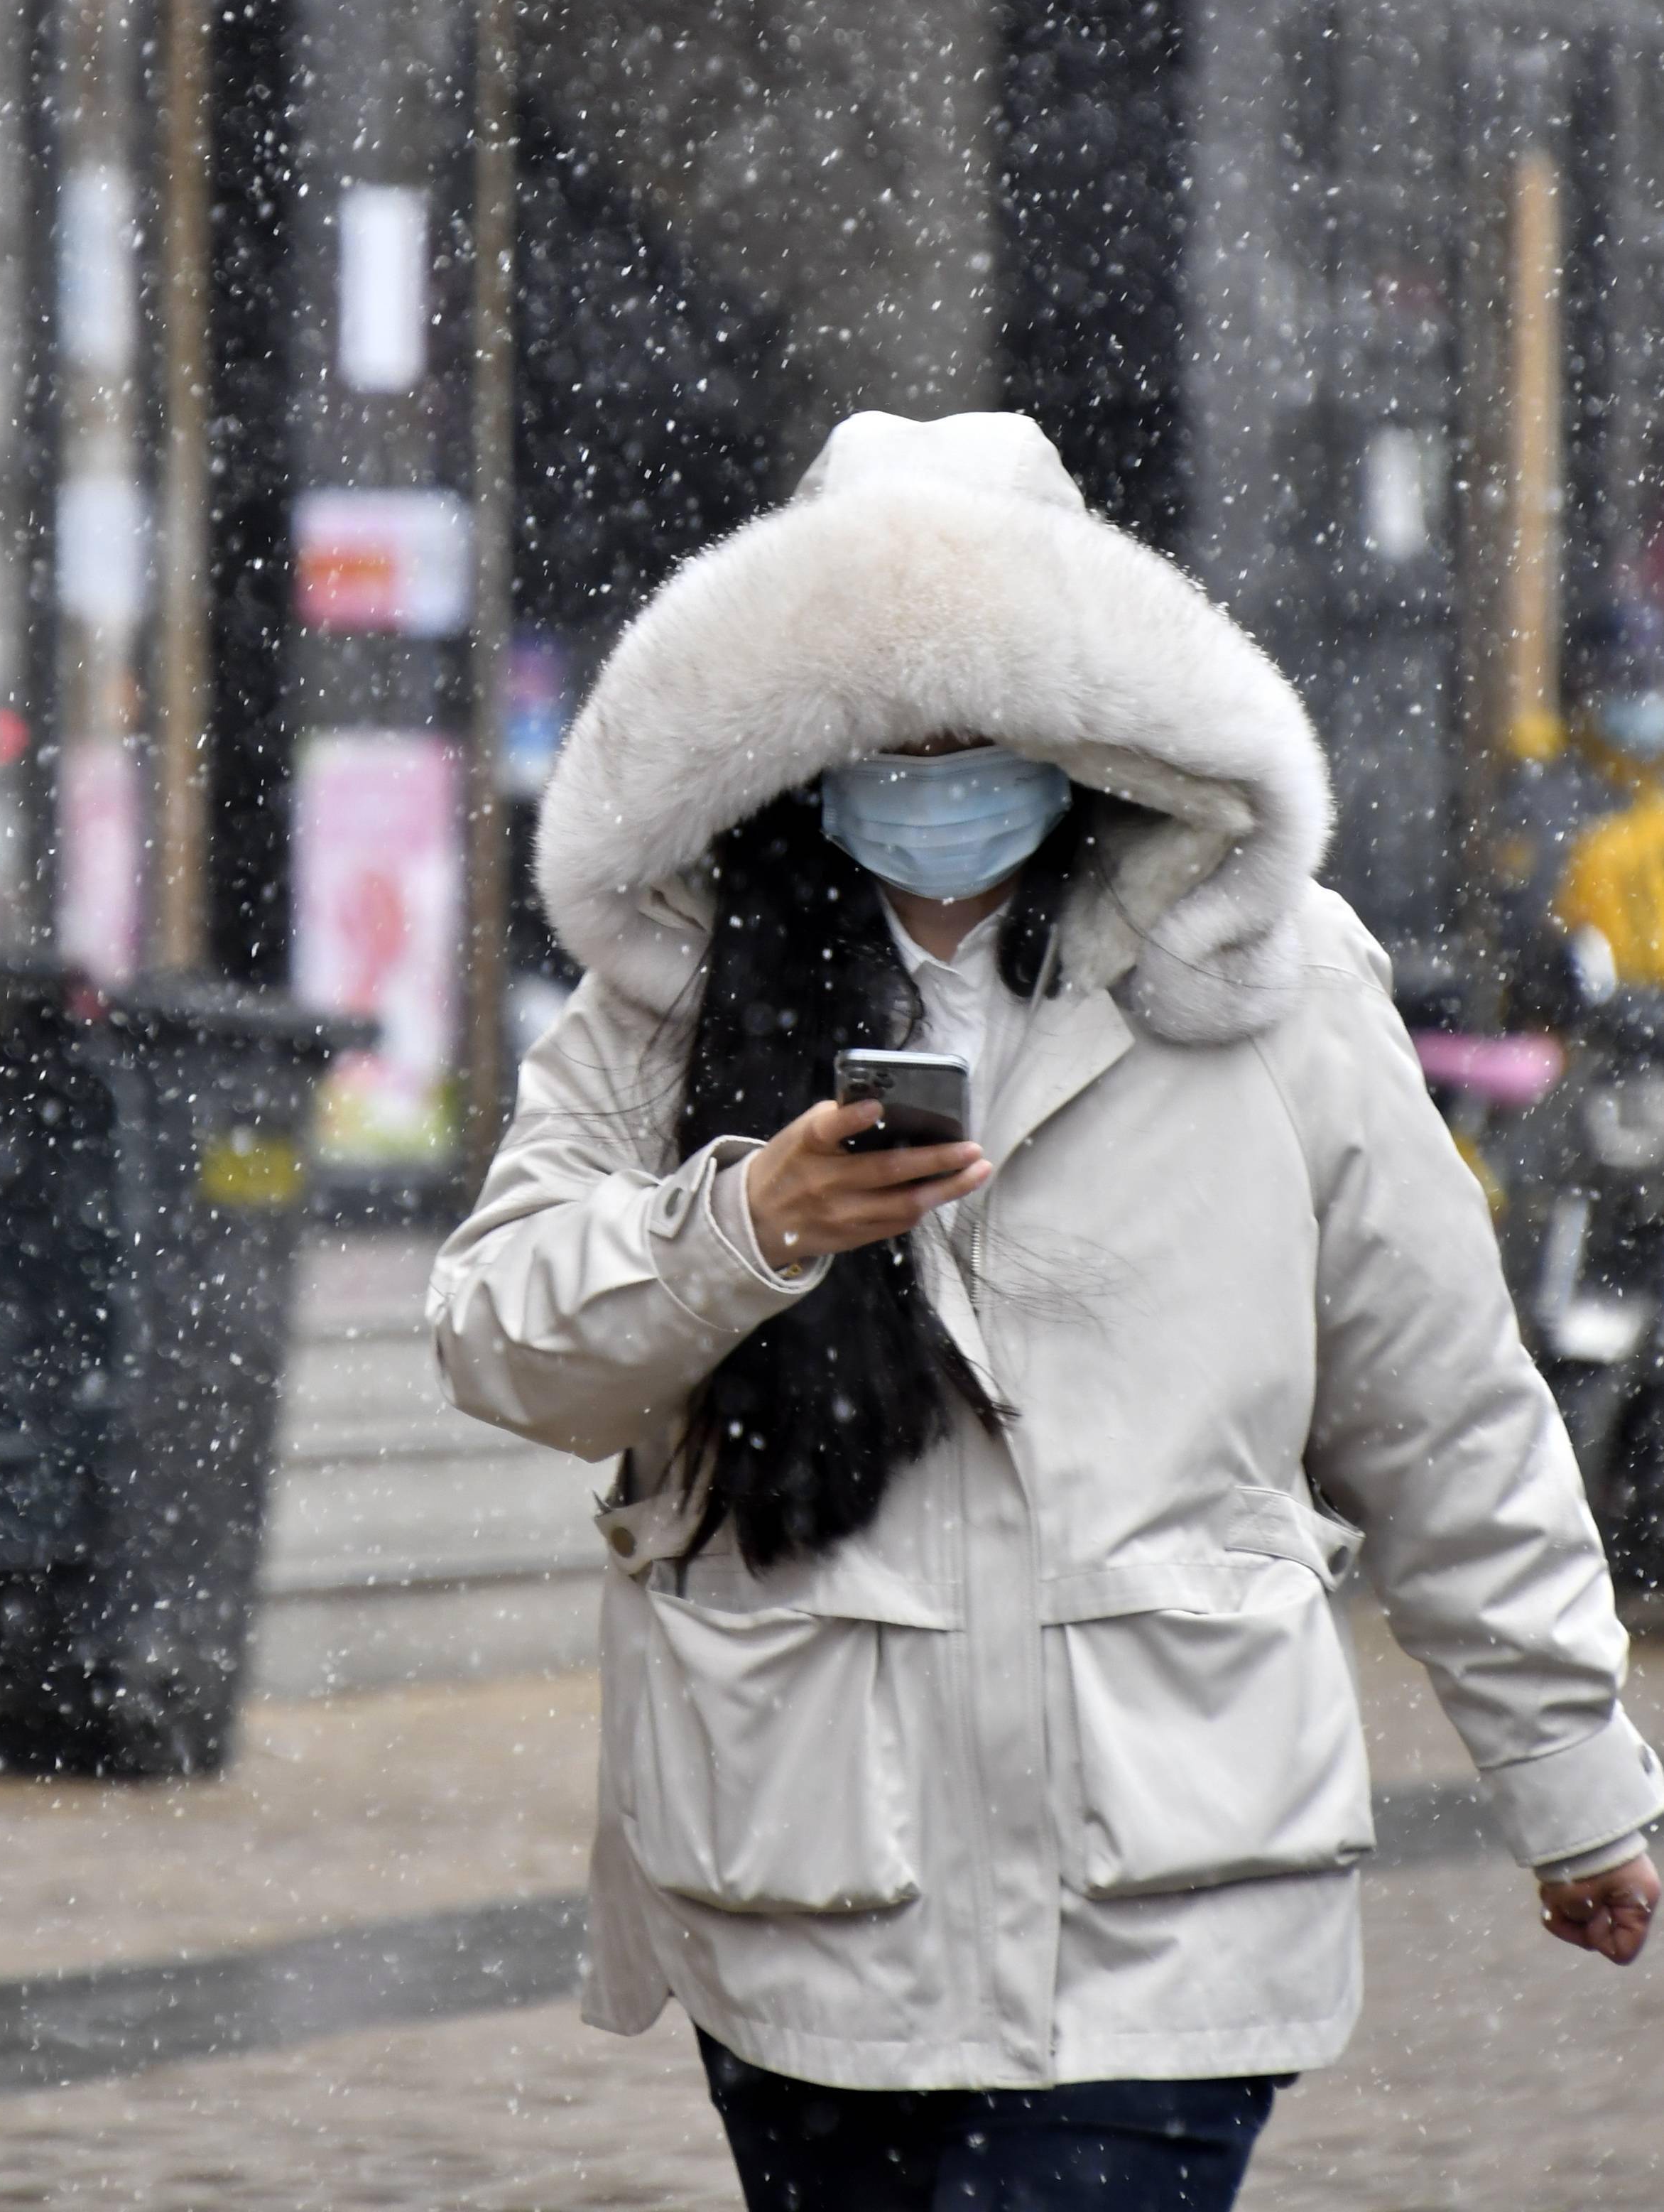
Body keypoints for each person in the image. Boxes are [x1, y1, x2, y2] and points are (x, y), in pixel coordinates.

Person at [429, 411, 1663, 2212]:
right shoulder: (674, 985)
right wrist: (742, 1224)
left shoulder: (1274, 978)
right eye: (886, 723)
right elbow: (498, 1336)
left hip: (1171, 1891)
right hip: (802, 1885)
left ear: (1084, 712)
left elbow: (1442, 1406)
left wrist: (1569, 1773)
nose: (933, 768)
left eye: (977, 719)